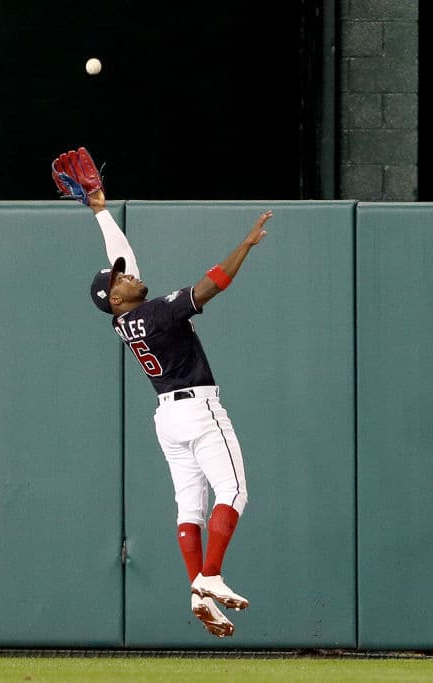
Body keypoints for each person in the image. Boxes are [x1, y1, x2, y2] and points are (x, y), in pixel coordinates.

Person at [74, 172, 272, 638]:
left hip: (168, 418)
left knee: (190, 508)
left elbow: (121, 261)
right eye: (122, 277)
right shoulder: (155, 312)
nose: (130, 273)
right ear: (117, 298)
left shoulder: (126, 320)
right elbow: (211, 286)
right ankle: (212, 575)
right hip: (199, 412)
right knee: (235, 493)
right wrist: (245, 245)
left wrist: (100, 210)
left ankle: (196, 590)